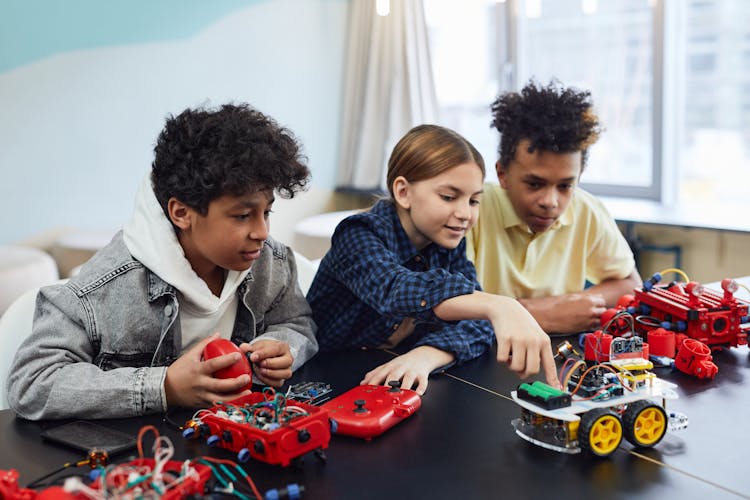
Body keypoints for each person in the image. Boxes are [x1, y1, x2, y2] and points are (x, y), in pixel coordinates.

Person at [7, 103, 318, 420]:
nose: (262, 233)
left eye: (266, 212)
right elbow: (32, 383)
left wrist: (282, 347)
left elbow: (296, 322)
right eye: (242, 216)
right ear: (182, 213)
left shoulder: (271, 261)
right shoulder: (100, 291)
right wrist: (164, 387)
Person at [307, 124, 560, 395]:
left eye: (474, 201)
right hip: (320, 380)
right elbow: (396, 289)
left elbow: (477, 323)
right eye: (449, 197)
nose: (465, 213)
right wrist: (500, 305)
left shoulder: (445, 245)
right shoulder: (357, 233)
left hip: (386, 377)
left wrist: (426, 356)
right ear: (403, 192)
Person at [466, 80, 642, 335]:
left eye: (565, 186)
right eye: (534, 183)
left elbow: (629, 283)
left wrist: (567, 305)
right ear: (502, 174)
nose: (550, 201)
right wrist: (542, 314)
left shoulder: (586, 209)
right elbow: (450, 307)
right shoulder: (471, 208)